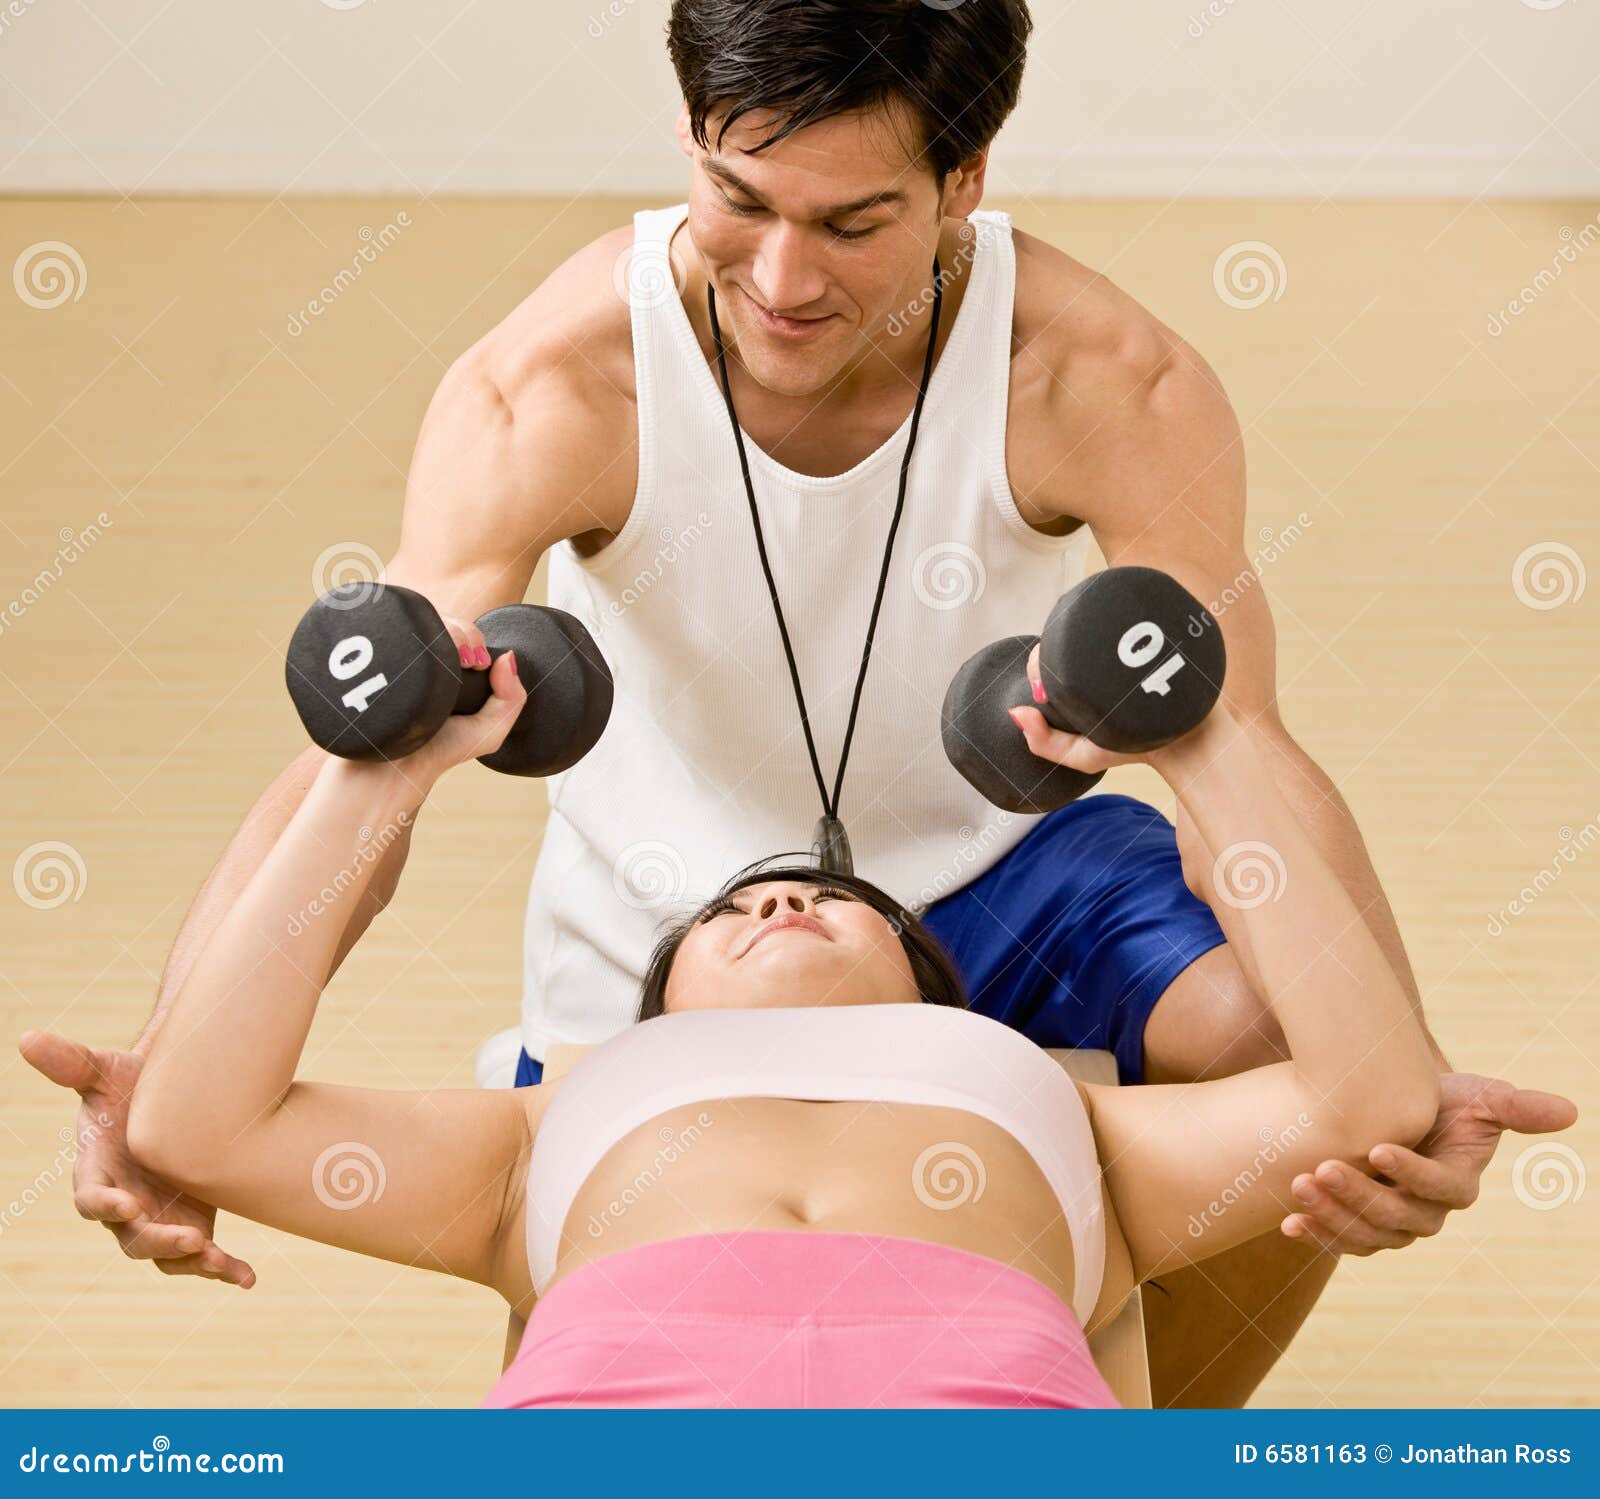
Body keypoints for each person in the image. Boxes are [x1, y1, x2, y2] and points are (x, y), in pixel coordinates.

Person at [32, 0, 1577, 1406]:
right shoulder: (556, 388)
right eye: (739, 201)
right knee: (617, 1223)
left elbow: (1250, 749)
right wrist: (160, 1067)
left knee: (1268, 1030)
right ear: (693, 145)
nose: (781, 279)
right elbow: (364, 759)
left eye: (853, 223)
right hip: (673, 918)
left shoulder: (1099, 378)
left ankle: (1158, 1434)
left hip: (1005, 872)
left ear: (964, 181)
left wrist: (1404, 1082)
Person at [18, 652, 1491, 1407]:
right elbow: (199, 1123)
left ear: (936, 994)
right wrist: (382, 773)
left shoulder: (1063, 1111)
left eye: (834, 905)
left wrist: (1199, 744)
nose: (782, 903)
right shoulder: (553, 1120)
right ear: (655, 1012)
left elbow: (1368, 1092)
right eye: (729, 913)